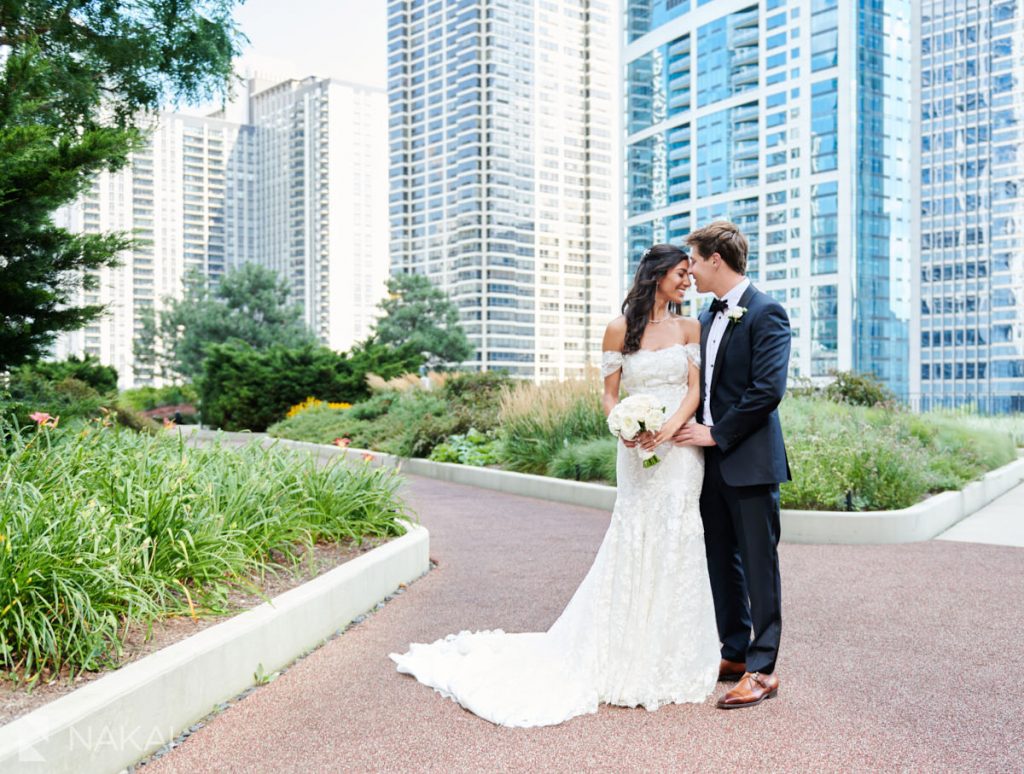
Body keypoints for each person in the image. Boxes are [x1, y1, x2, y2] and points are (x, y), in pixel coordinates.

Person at [389, 244, 720, 727]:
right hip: (635, 454)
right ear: (656, 275)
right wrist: (625, 430)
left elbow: (695, 391)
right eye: (680, 273)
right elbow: (609, 397)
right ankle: (620, 650)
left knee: (678, 536)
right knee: (633, 537)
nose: (687, 281)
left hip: (680, 451)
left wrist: (668, 430)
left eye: (691, 274)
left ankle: (670, 654)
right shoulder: (617, 330)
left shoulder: (690, 327)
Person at [674, 221, 792, 709]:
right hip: (707, 465)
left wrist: (717, 432)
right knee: (721, 562)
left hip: (749, 461)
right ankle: (735, 651)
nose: (692, 271)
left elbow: (767, 390)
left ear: (716, 260)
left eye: (695, 261)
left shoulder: (767, 312)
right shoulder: (703, 315)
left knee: (759, 566)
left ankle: (763, 669)